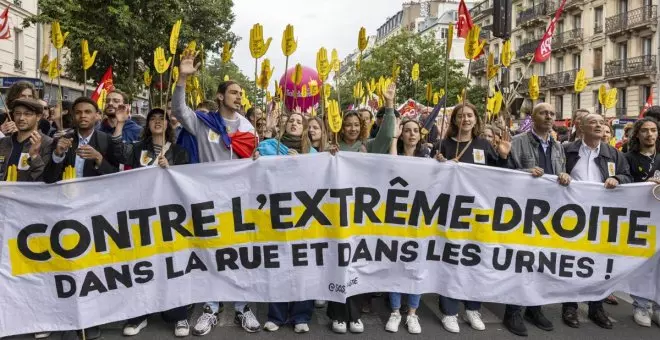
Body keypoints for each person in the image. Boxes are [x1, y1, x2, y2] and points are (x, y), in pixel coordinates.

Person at [174, 48, 260, 336]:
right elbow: (178, 111)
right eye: (234, 92)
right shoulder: (202, 122)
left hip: (240, 202)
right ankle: (210, 307)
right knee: (211, 254)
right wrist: (182, 79)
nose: (239, 97)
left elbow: (253, 162)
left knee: (239, 255)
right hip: (208, 200)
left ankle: (241, 307)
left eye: (241, 94)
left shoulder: (248, 128)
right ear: (221, 96)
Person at [108, 105, 191, 337]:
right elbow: (116, 153)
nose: (157, 121)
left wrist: (171, 169)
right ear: (147, 125)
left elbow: (188, 181)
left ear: (168, 124)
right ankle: (139, 315)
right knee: (142, 265)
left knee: (172, 265)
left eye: (161, 118)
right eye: (152, 118)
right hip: (141, 215)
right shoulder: (137, 149)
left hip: (169, 218)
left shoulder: (180, 152)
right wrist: (121, 123)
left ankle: (179, 315)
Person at [43, 97, 119, 340]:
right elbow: (48, 179)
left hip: (96, 212)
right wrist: (56, 155)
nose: (83, 116)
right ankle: (70, 315)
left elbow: (118, 181)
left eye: (88, 112)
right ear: (73, 116)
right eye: (78, 113)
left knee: (94, 268)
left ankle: (93, 318)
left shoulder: (106, 141)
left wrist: (98, 158)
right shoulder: (62, 140)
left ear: (97, 116)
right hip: (66, 211)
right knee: (69, 265)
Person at [433, 102, 511, 334]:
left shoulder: (484, 145)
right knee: (450, 261)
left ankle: (472, 308)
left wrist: (504, 157)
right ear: (454, 121)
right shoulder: (443, 145)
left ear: (476, 120)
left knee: (474, 261)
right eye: (461, 116)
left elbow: (501, 177)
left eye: (470, 115)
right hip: (451, 213)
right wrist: (440, 165)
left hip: (479, 214)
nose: (465, 119)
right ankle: (449, 311)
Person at [326, 83, 397, 335]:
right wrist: (328, 155)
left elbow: (388, 135)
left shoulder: (369, 146)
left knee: (356, 264)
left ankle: (354, 315)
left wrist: (389, 105)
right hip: (335, 215)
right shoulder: (331, 148)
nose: (352, 128)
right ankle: (336, 314)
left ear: (362, 126)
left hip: (360, 216)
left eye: (356, 125)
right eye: (348, 125)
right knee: (336, 263)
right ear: (340, 127)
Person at [504, 102, 571, 336]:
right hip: (524, 212)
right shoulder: (519, 141)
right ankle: (513, 311)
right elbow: (505, 174)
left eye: (552, 113)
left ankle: (534, 307)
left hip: (549, 214)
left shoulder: (558, 146)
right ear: (533, 117)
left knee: (542, 261)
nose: (549, 117)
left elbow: (559, 174)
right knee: (521, 262)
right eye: (544, 113)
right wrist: (525, 173)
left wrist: (564, 176)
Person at [561, 112, 632, 330]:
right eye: (594, 123)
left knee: (599, 264)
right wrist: (561, 175)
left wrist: (617, 178)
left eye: (602, 123)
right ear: (581, 128)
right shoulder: (567, 151)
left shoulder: (614, 153)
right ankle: (570, 307)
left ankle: (596, 307)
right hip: (573, 218)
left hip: (602, 219)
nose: (600, 126)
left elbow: (627, 176)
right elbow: (553, 172)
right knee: (572, 263)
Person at [253, 112, 315, 333]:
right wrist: (256, 160)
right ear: (284, 125)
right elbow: (257, 173)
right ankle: (276, 316)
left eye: (299, 122)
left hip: (304, 217)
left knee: (303, 267)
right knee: (278, 265)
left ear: (305, 127)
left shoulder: (313, 153)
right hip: (275, 213)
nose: (295, 124)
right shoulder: (268, 145)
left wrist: (301, 163)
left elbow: (319, 181)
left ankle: (301, 316)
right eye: (291, 121)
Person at [383, 118, 427, 335]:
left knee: (416, 267)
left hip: (420, 220)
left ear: (420, 135)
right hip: (395, 219)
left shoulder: (428, 157)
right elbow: (393, 165)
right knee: (396, 265)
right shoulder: (396, 154)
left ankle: (412, 313)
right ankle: (395, 311)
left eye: (415, 131)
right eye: (407, 131)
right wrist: (393, 137)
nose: (411, 134)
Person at [623, 117, 660, 327]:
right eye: (645, 130)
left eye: (653, 130)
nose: (649, 134)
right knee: (642, 265)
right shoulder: (627, 157)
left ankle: (657, 306)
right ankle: (641, 304)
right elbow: (624, 181)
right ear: (637, 134)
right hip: (638, 220)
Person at [0, 98, 53, 182]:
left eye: (27, 114)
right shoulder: (3, 142)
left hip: (29, 194)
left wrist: (34, 156)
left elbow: (45, 179)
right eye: (18, 113)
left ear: (38, 116)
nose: (21, 118)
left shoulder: (48, 143)